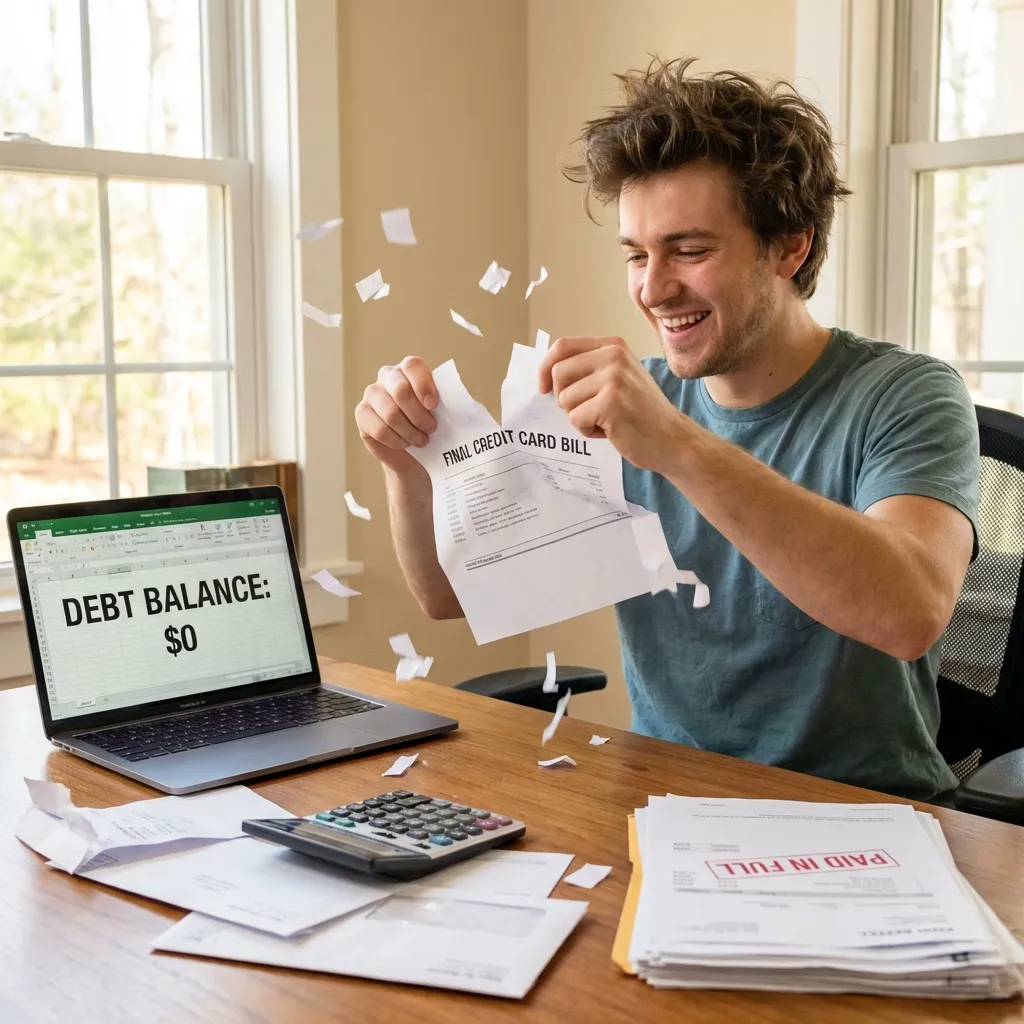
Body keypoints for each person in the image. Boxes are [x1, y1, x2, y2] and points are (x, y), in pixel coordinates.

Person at [354, 58, 979, 801]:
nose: (653, 288)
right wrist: (405, 467)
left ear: (790, 247)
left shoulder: (905, 394)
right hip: (667, 807)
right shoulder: (623, 404)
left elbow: (909, 613)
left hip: (865, 814)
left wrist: (677, 446)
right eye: (636, 255)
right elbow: (451, 594)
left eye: (689, 250)